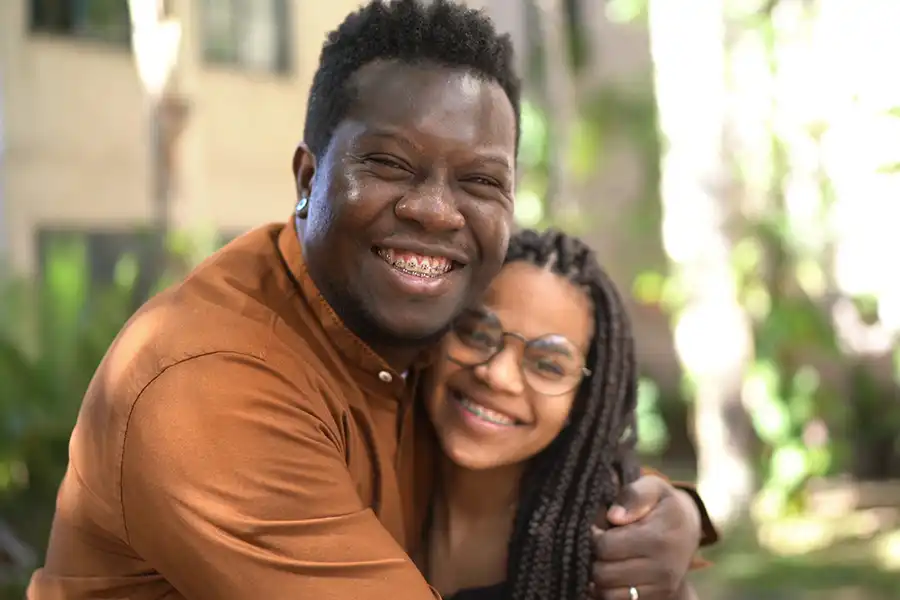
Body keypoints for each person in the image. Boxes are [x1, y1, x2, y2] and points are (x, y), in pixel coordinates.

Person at [27, 2, 714, 599]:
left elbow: (552, 439)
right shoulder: (210, 381)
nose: (437, 211)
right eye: (389, 164)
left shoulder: (427, 342)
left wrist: (670, 513)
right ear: (308, 175)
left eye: (480, 182)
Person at [419, 229, 701, 600]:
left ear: (582, 402)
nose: (498, 375)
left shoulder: (617, 553)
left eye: (548, 366)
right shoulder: (374, 457)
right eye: (476, 334)